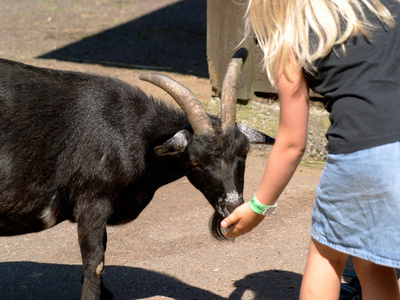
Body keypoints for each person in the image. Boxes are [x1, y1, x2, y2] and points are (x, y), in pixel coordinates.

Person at [221, 0, 400, 299]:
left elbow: (292, 143)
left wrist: (257, 208)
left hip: (364, 159)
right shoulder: (388, 9)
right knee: (372, 259)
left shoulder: (293, 40)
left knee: (328, 256)